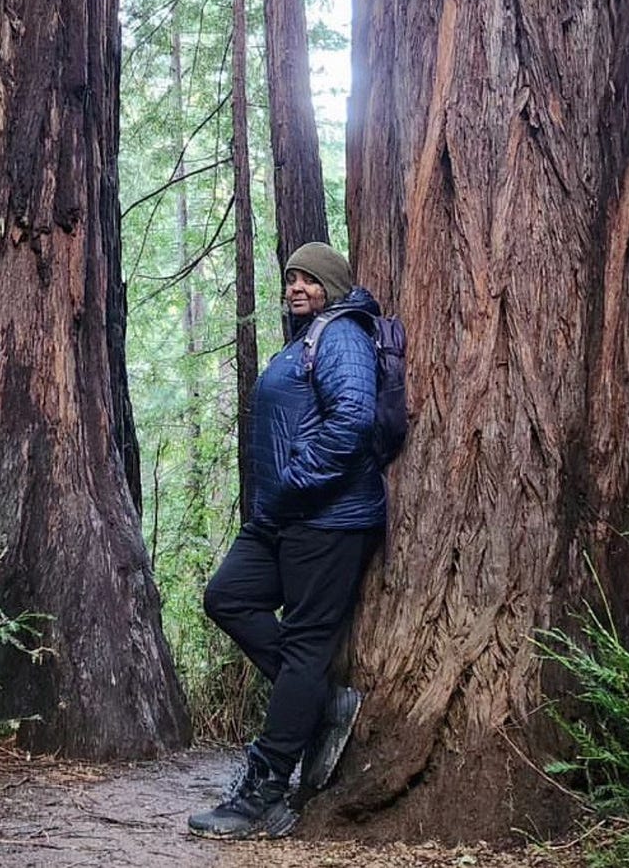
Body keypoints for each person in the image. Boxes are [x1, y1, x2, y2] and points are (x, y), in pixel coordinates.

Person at [188, 241, 387, 840]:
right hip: (284, 517)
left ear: (333, 283)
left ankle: (264, 791)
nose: (297, 286)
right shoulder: (309, 335)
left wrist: (299, 477)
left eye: (309, 278)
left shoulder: (345, 335)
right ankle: (322, 703)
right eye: (291, 278)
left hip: (326, 519)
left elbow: (353, 417)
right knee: (228, 596)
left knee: (304, 645)